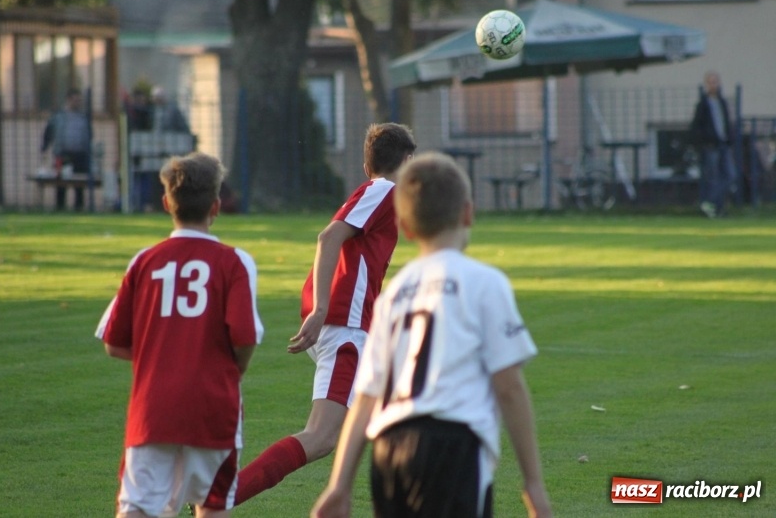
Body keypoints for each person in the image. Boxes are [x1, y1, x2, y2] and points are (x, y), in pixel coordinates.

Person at [311, 152, 552, 518]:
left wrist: (340, 484)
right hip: (452, 447)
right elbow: (509, 387)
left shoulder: (395, 293)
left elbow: (366, 397)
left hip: (388, 448)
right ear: (468, 213)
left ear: (406, 228)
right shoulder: (484, 283)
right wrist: (533, 482)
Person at [232, 123, 417, 507]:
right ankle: (222, 495)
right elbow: (329, 236)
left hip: (353, 326)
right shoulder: (383, 189)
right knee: (321, 437)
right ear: (408, 161)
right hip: (345, 328)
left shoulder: (382, 194)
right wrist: (320, 308)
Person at [96, 152, 264, 518]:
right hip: (214, 409)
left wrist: (164, 354)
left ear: (166, 203)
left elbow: (114, 342)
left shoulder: (144, 261)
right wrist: (231, 369)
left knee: (138, 508)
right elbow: (245, 337)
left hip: (153, 411)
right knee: (212, 505)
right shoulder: (235, 262)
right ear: (216, 206)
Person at [690, 70, 736, 218]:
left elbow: (726, 123)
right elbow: (696, 127)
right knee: (712, 177)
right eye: (710, 82)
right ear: (706, 84)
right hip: (711, 146)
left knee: (730, 175)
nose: (713, 84)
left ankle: (710, 202)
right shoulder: (702, 105)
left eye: (715, 81)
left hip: (723, 144)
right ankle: (715, 208)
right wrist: (705, 141)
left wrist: (729, 138)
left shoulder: (722, 102)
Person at [41, 88, 91, 210]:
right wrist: (44, 148)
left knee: (79, 184)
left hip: (80, 155)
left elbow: (89, 135)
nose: (78, 103)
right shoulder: (58, 116)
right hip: (62, 154)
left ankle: (79, 208)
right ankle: (60, 207)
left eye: (79, 101)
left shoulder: (83, 117)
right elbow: (48, 132)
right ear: (68, 100)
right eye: (75, 100)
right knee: (61, 182)